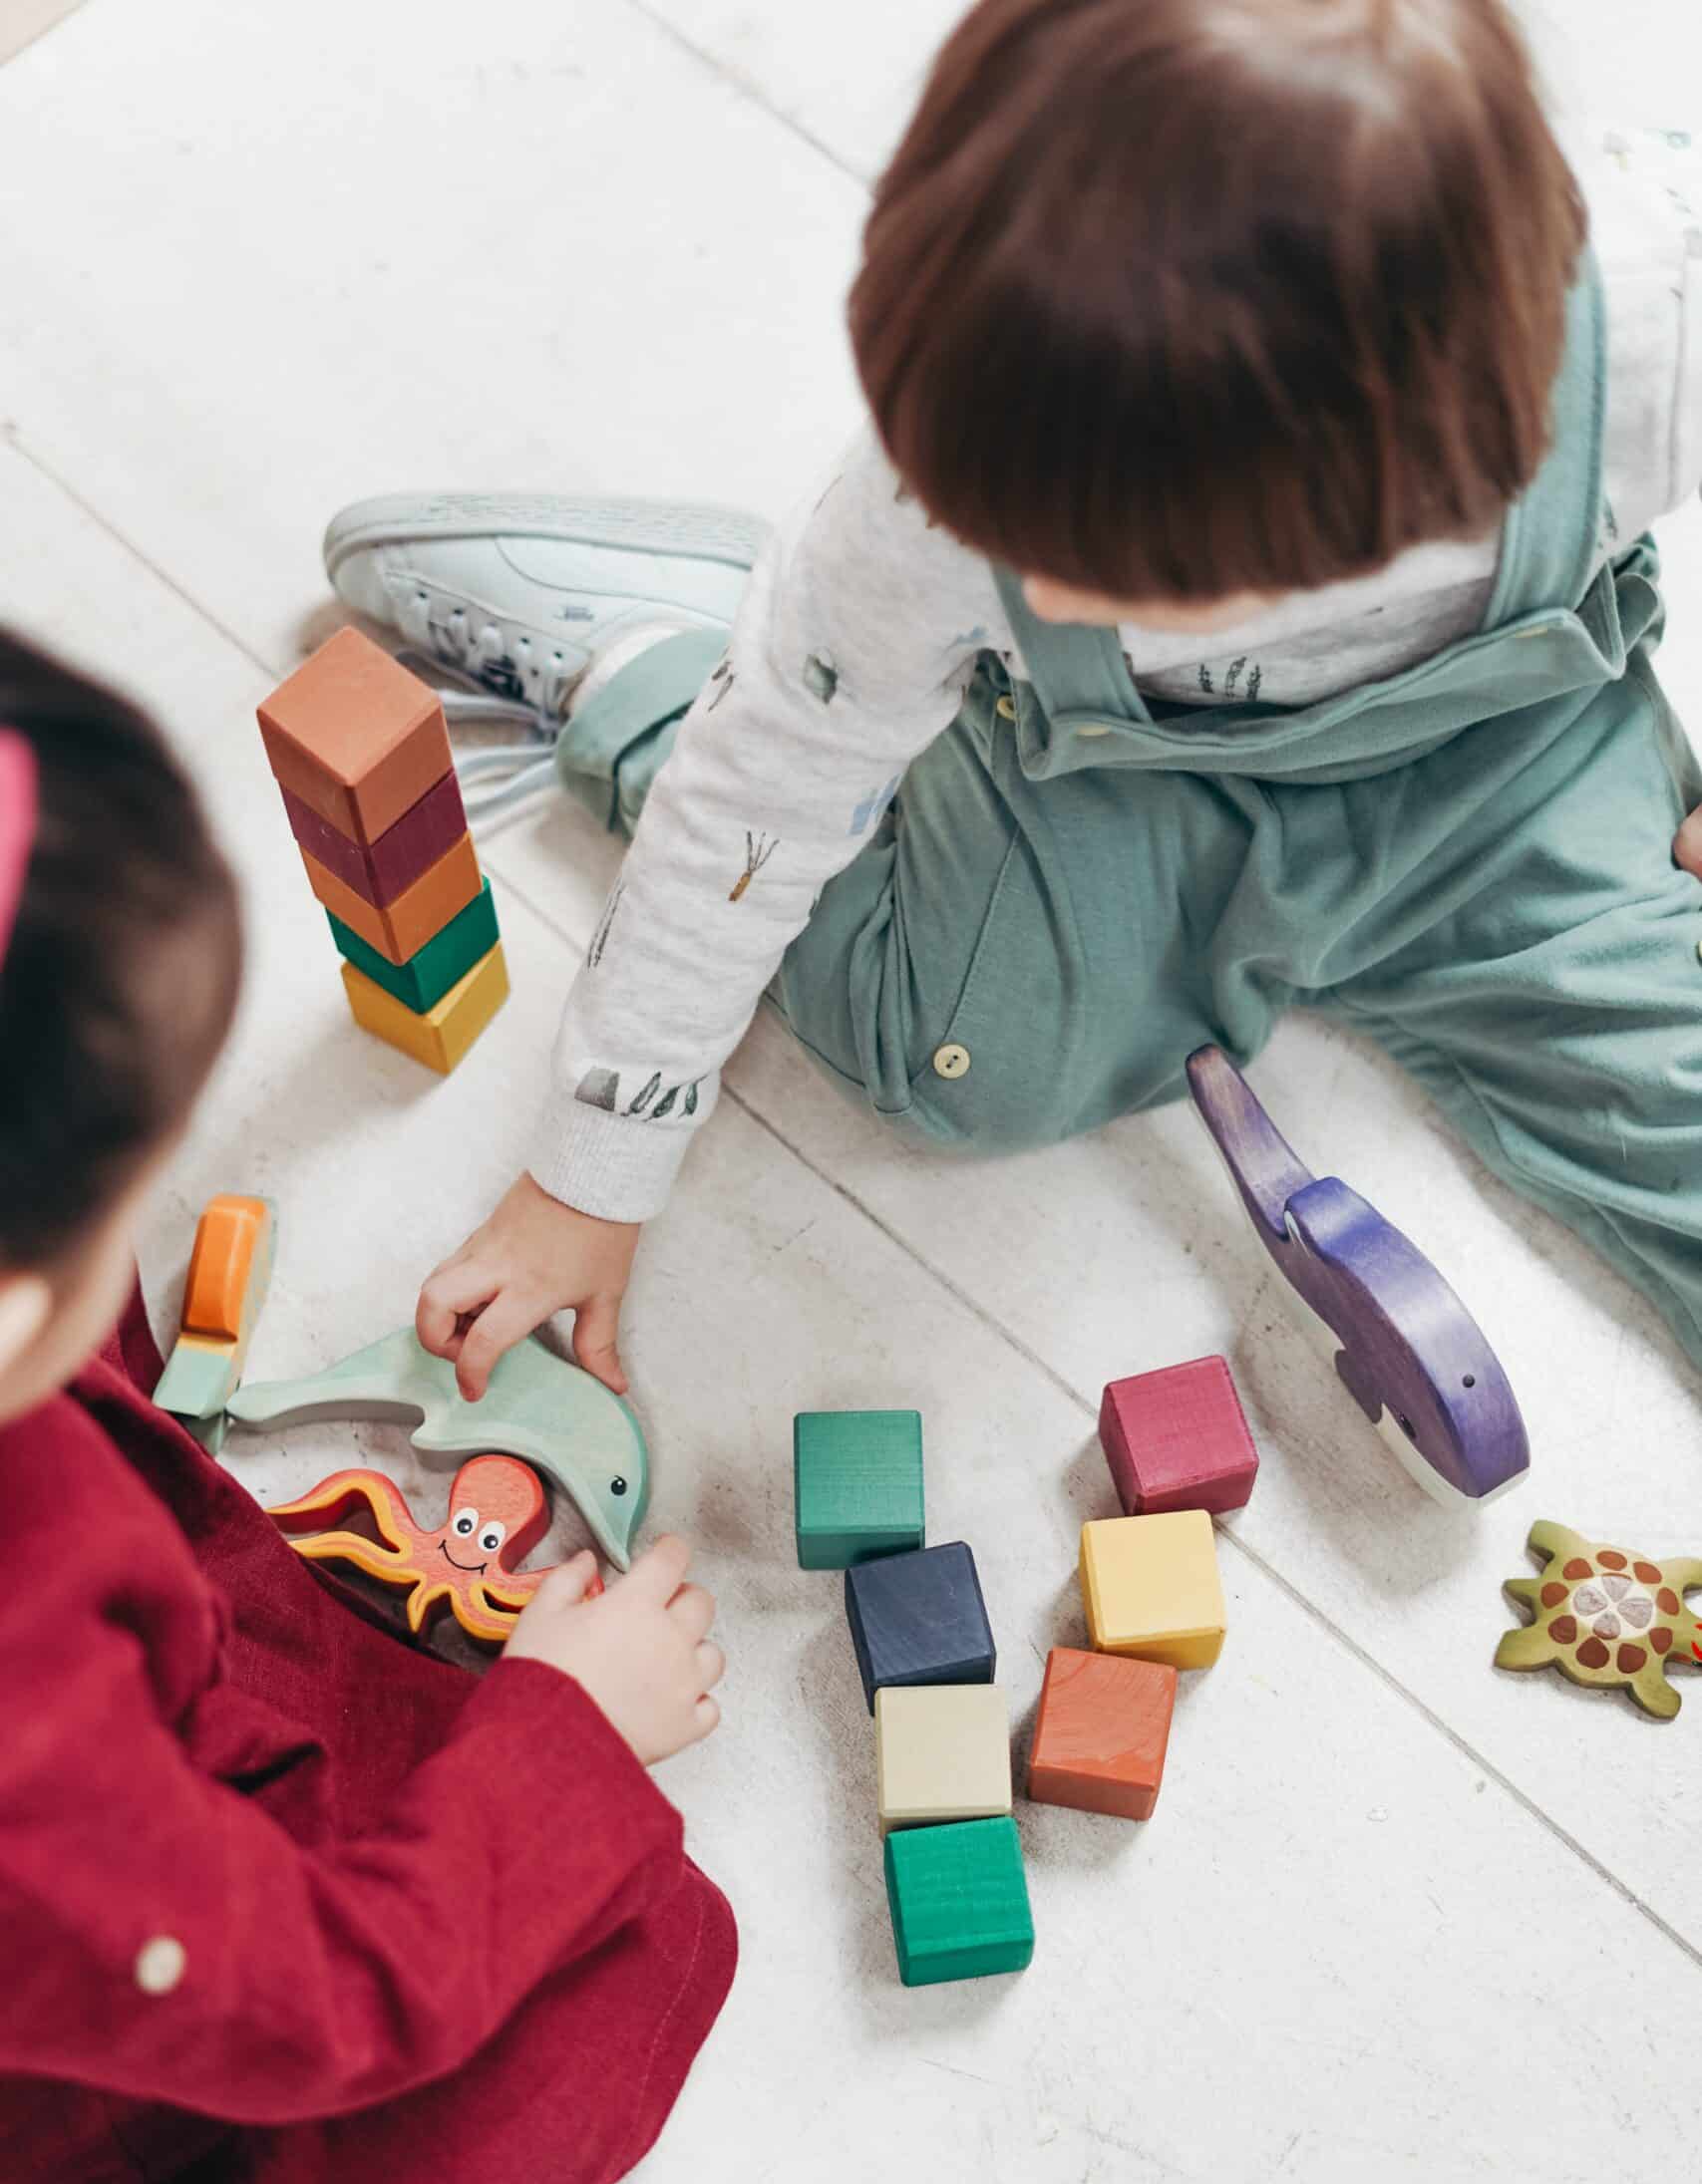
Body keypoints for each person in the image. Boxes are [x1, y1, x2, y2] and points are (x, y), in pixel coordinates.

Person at [322, 0, 1702, 1404]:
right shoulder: (922, 523)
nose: (1033, 571)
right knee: (956, 1057)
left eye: (1097, 569)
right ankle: (662, 667)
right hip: (1111, 775)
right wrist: (589, 1178)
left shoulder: (1659, 304)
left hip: (1516, 755)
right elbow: (765, 795)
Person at [0, 629, 733, 2184]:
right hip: (89, 2041)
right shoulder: (29, 1769)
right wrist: (565, 1729)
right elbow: (328, 2001)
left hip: (117, 1780)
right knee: (624, 1963)